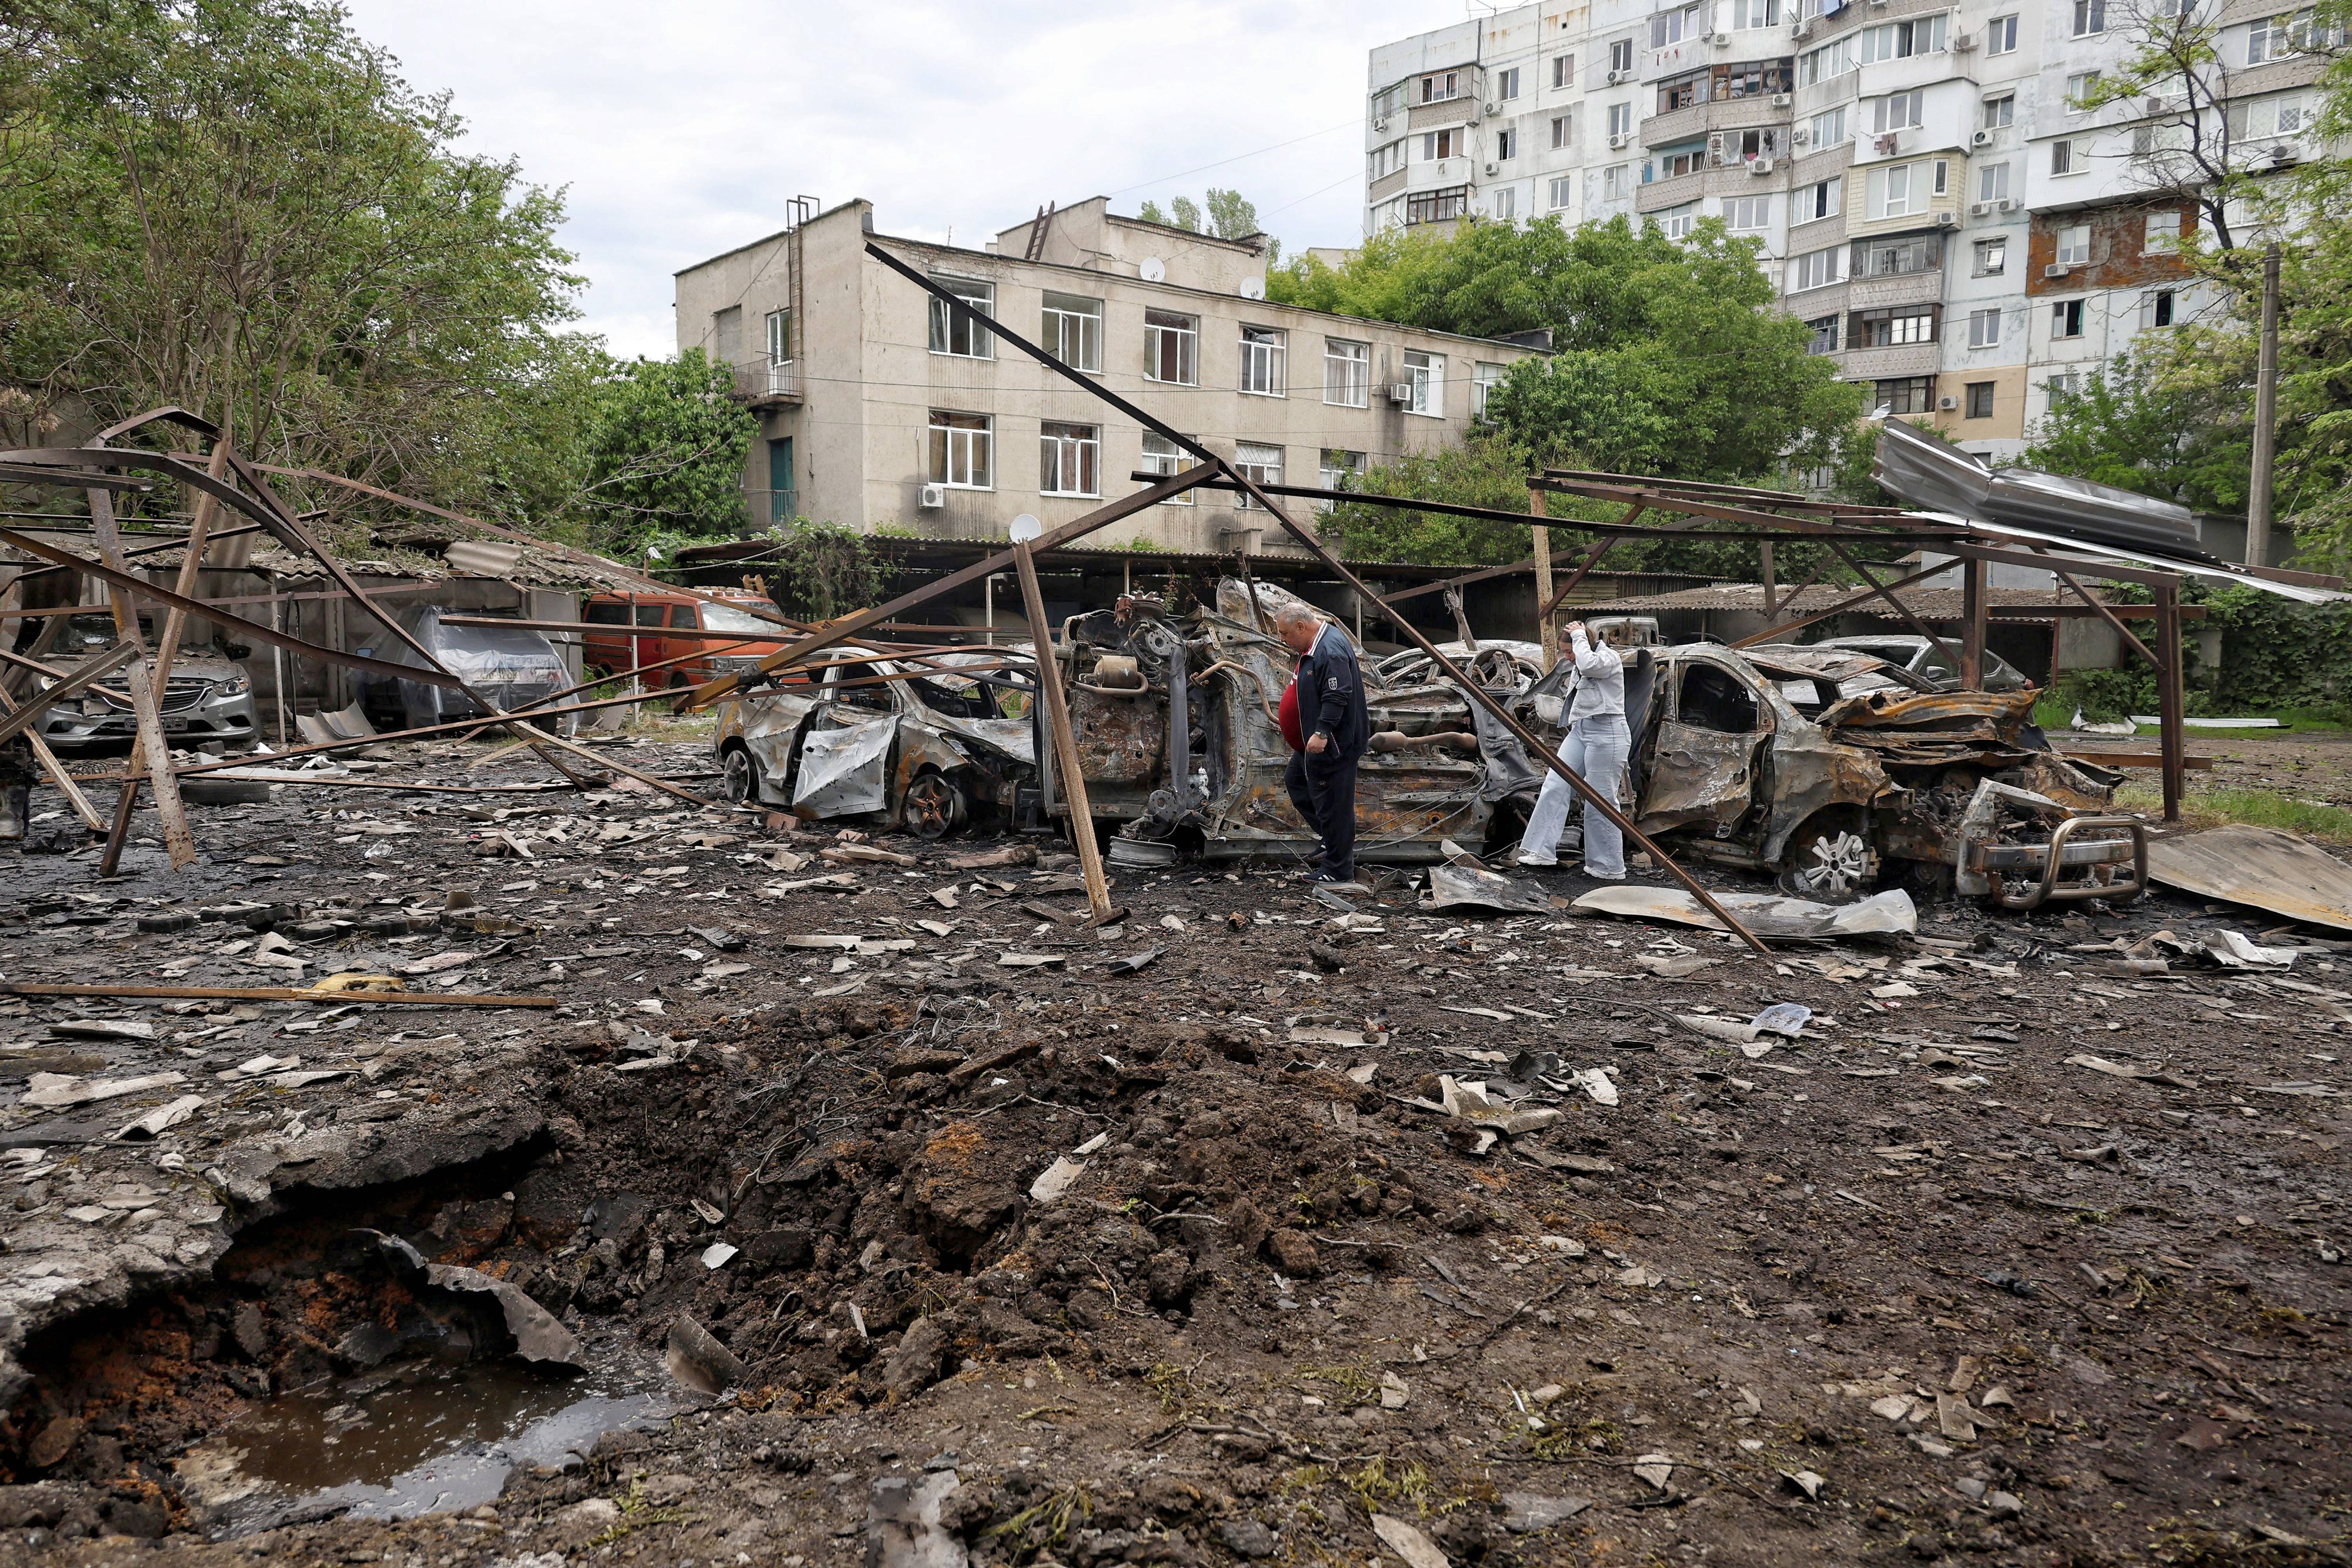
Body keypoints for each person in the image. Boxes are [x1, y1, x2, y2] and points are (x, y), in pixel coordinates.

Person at [1515, 620, 1629, 880]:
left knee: (1600, 799)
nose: (1568, 657)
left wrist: (1578, 634)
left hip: (1608, 732)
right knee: (1555, 784)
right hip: (1581, 730)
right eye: (1565, 652)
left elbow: (1589, 664)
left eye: (1570, 651)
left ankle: (1607, 866)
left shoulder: (1606, 658)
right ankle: (1540, 851)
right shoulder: (1580, 661)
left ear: (1583, 643)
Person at [1274, 601, 1368, 884]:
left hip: (1333, 744)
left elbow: (1337, 696)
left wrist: (1322, 732)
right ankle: (1333, 840)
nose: (1283, 639)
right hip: (1312, 743)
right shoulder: (1313, 646)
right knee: (1297, 782)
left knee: (1334, 805)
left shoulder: (1330, 650)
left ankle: (1339, 870)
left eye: (1285, 633)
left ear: (1301, 627)